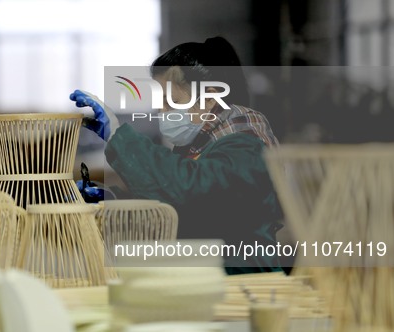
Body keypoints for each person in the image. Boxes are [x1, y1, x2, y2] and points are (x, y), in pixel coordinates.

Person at [70, 36, 284, 275]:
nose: (162, 111)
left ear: (210, 98)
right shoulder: (201, 147)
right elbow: (177, 216)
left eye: (172, 101)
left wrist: (118, 137)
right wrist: (113, 202)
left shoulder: (247, 148)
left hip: (247, 285)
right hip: (210, 280)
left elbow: (189, 191)